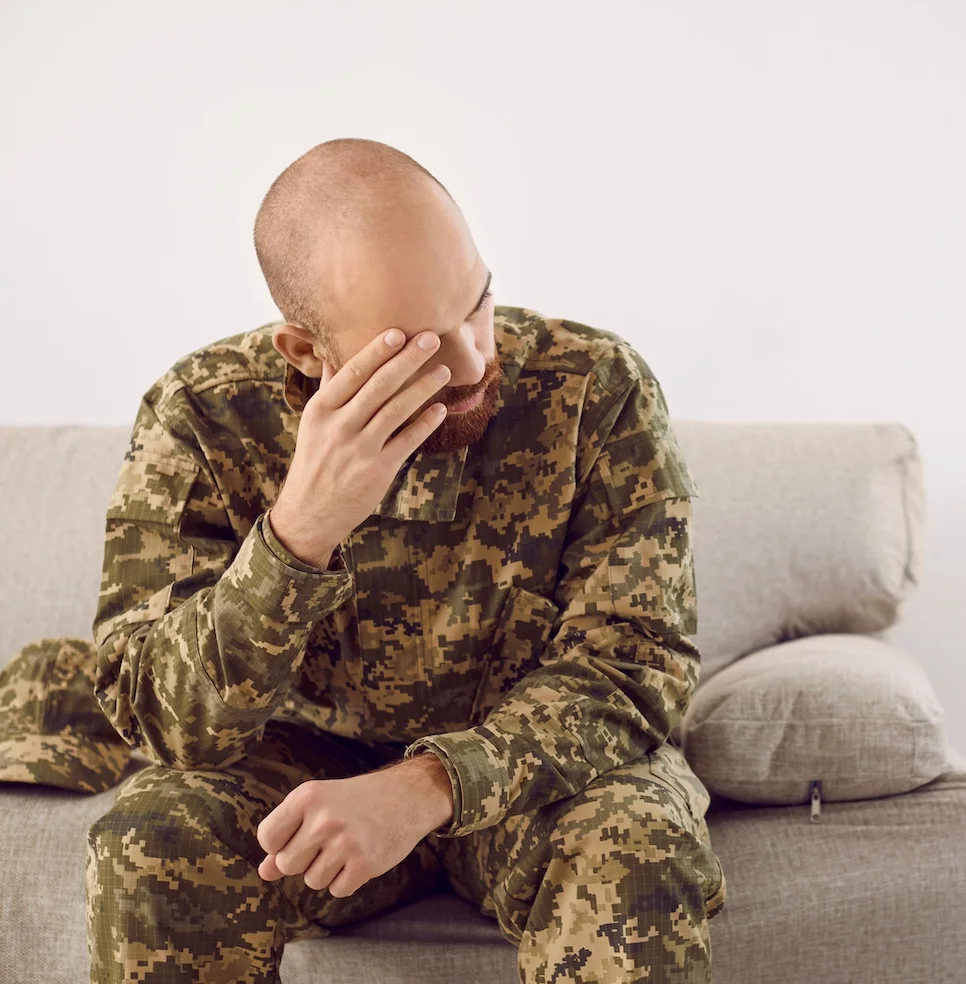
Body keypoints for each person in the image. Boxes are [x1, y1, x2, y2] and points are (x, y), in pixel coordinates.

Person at [77, 136, 723, 982]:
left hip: (534, 773)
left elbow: (635, 666)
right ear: (306, 352)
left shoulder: (594, 388)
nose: (472, 361)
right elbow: (161, 720)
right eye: (414, 347)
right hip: (305, 772)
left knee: (634, 847)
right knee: (152, 842)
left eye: (477, 304)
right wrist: (297, 534)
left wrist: (430, 785)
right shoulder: (202, 414)